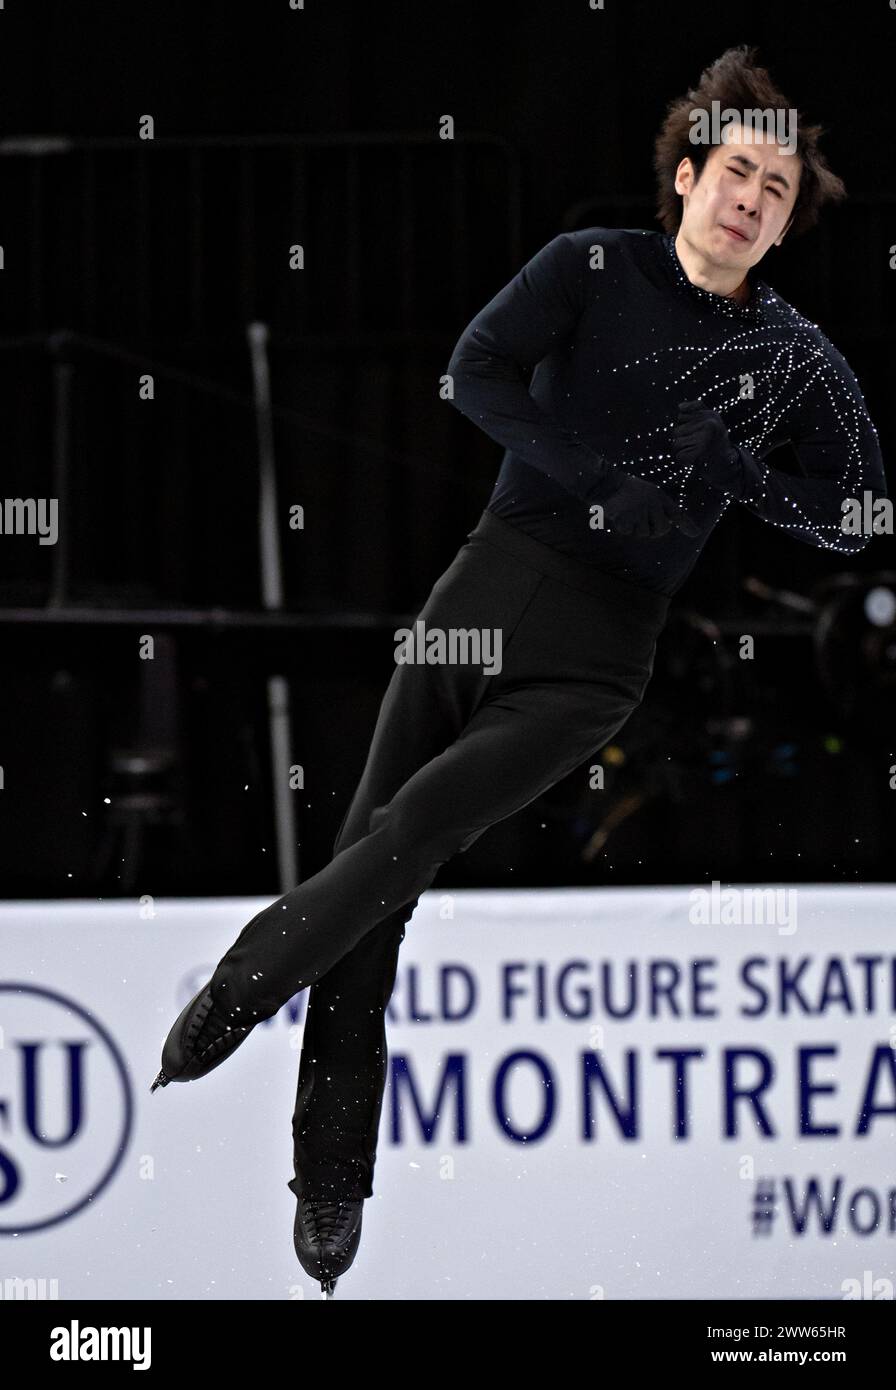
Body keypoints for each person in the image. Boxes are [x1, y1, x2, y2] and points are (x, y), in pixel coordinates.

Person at [151, 45, 887, 1297]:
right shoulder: (589, 266)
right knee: (371, 882)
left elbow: (864, 513)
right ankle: (330, 1181)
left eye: (776, 185)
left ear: (782, 221)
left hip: (595, 659)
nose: (753, 196)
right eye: (737, 171)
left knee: (419, 822)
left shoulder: (792, 357)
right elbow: (472, 371)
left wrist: (748, 479)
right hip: (477, 597)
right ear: (688, 175)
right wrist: (597, 480)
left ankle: (236, 988)